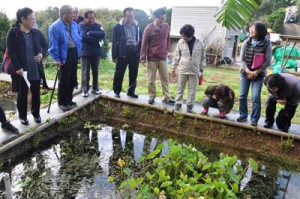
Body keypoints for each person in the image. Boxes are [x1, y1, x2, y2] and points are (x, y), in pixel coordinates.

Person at [7, 7, 48, 125]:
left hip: (35, 68)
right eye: (31, 19)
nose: (33, 21)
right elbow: (11, 52)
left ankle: (36, 114)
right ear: (22, 19)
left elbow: (45, 46)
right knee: (22, 93)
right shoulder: (14, 33)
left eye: (34, 19)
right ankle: (23, 116)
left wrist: (41, 54)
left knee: (36, 92)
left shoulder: (36, 32)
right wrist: (18, 67)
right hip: (21, 70)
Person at [237, 21, 272, 126]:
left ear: (260, 31)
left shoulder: (267, 44)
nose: (251, 30)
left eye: (254, 28)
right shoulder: (246, 42)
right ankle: (243, 115)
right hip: (245, 73)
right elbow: (242, 59)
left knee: (255, 97)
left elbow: (267, 61)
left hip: (258, 74)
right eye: (251, 28)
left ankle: (254, 119)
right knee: (242, 95)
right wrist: (247, 71)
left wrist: (256, 72)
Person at [48, 5, 82, 111]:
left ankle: (69, 99)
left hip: (74, 52)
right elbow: (54, 44)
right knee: (64, 79)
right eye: (71, 13)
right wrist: (57, 59)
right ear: (63, 14)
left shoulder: (74, 24)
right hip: (64, 54)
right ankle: (62, 102)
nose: (74, 15)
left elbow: (79, 36)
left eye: (74, 13)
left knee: (72, 78)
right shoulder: (55, 26)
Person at [141, 7, 175, 105]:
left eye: (164, 18)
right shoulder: (148, 29)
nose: (163, 21)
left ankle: (166, 97)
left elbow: (168, 39)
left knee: (165, 78)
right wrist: (143, 57)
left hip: (163, 57)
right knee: (151, 79)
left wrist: (167, 50)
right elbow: (144, 44)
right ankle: (152, 95)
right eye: (161, 19)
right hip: (152, 58)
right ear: (155, 17)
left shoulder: (166, 26)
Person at [171, 24, 206, 113]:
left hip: (195, 69)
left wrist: (202, 67)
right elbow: (176, 55)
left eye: (185, 36)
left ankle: (190, 105)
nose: (183, 37)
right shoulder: (180, 42)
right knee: (180, 87)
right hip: (183, 68)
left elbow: (203, 56)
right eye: (182, 35)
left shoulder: (199, 42)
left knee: (192, 89)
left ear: (191, 35)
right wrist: (173, 67)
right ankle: (178, 103)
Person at [112, 7, 141, 98]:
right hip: (123, 51)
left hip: (134, 52)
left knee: (133, 73)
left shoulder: (137, 26)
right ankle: (117, 91)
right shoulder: (118, 27)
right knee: (119, 73)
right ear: (124, 16)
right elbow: (114, 42)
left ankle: (131, 91)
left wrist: (139, 51)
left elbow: (140, 39)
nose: (130, 19)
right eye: (128, 17)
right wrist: (114, 56)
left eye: (132, 17)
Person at [79, 10, 105, 97]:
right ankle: (85, 90)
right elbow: (84, 37)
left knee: (95, 71)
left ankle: (95, 88)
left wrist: (91, 33)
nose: (91, 20)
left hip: (96, 52)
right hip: (85, 53)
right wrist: (96, 38)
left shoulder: (97, 25)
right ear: (85, 18)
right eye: (90, 18)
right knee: (85, 72)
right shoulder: (81, 25)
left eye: (93, 18)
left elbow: (103, 34)